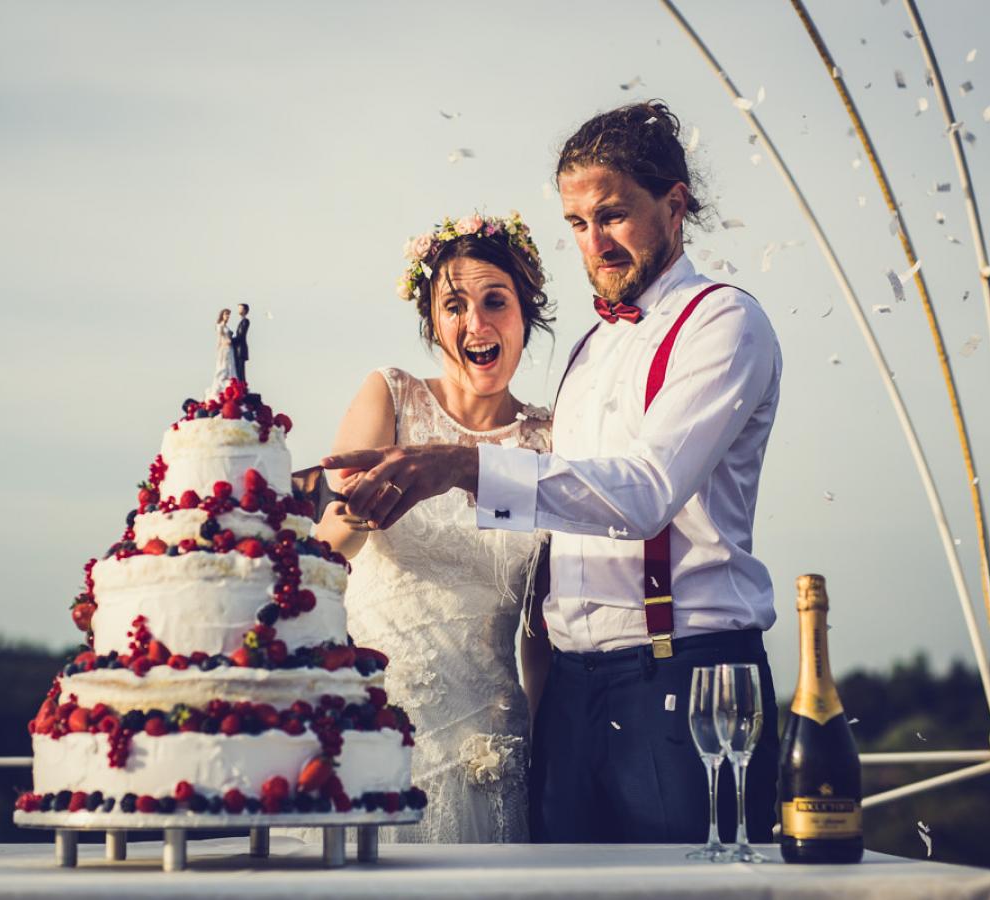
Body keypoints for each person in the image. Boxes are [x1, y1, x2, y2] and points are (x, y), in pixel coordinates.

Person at [325, 101, 782, 845]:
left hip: (677, 673)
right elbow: (546, 556)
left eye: (612, 216)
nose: (594, 243)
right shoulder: (588, 354)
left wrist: (461, 466)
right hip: (566, 700)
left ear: (675, 204)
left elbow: (643, 494)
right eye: (577, 223)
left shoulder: (723, 324)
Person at [310, 212, 556, 843]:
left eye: (495, 301)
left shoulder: (548, 440)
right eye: (454, 306)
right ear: (433, 324)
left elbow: (542, 627)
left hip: (492, 740)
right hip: (376, 725)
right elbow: (327, 552)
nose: (476, 324)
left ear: (525, 314)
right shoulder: (389, 396)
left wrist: (541, 738)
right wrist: (356, 516)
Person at [207, 307, 238, 398]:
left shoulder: (226, 326)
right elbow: (220, 338)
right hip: (225, 348)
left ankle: (230, 381)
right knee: (224, 366)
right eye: (226, 314)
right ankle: (222, 382)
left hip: (230, 348)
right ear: (222, 315)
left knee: (231, 366)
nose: (227, 316)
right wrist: (222, 345)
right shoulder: (220, 326)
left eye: (228, 315)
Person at [231, 303, 251, 386]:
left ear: (245, 310)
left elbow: (241, 336)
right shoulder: (242, 321)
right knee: (238, 370)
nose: (239, 310)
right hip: (238, 349)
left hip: (240, 349)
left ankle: (242, 387)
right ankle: (241, 386)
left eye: (240, 308)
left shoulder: (245, 321)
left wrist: (230, 340)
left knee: (240, 371)